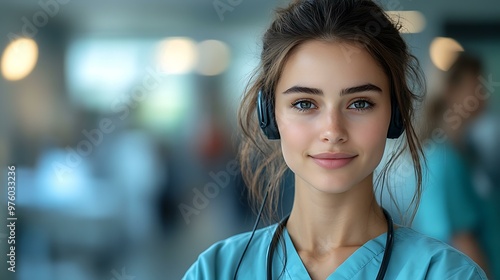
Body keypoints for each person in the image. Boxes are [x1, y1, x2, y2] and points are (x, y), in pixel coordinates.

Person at [183, 0, 488, 279]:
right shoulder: (216, 270)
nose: (333, 130)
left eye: (360, 103)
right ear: (270, 116)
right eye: (304, 103)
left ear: (395, 115)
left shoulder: (446, 273)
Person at [412, 53, 494, 278]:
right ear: (449, 90)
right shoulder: (442, 159)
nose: (484, 95)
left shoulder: (466, 153)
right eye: (475, 86)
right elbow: (461, 239)